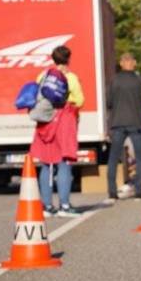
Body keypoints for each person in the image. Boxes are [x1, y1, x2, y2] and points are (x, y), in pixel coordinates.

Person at [31, 45, 85, 217]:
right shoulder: (71, 77)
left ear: (54, 59)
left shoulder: (43, 75)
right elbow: (79, 100)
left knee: (46, 163)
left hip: (46, 122)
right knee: (64, 163)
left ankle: (46, 206)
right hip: (64, 122)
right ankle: (64, 205)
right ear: (68, 59)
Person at [106, 51, 141, 204]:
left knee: (113, 158)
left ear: (121, 63)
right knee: (139, 158)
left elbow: (109, 102)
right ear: (134, 63)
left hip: (118, 122)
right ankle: (138, 191)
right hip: (136, 122)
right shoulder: (140, 81)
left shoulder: (114, 80)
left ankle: (112, 192)